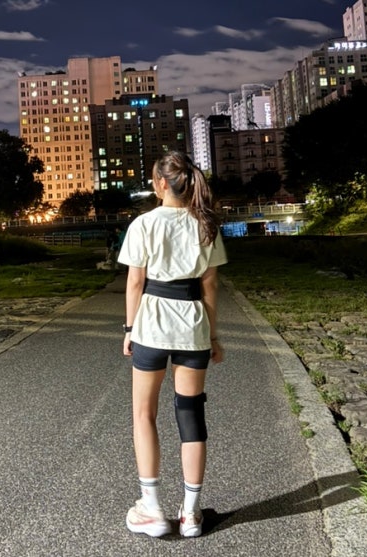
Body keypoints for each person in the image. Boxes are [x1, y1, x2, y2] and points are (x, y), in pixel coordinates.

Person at [116, 150, 228, 538]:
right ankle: (191, 514)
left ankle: (151, 510)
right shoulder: (206, 225)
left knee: (143, 415)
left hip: (151, 326)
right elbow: (210, 286)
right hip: (192, 327)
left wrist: (129, 328)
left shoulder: (143, 224)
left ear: (162, 183)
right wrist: (212, 336)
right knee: (191, 416)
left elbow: (135, 282)